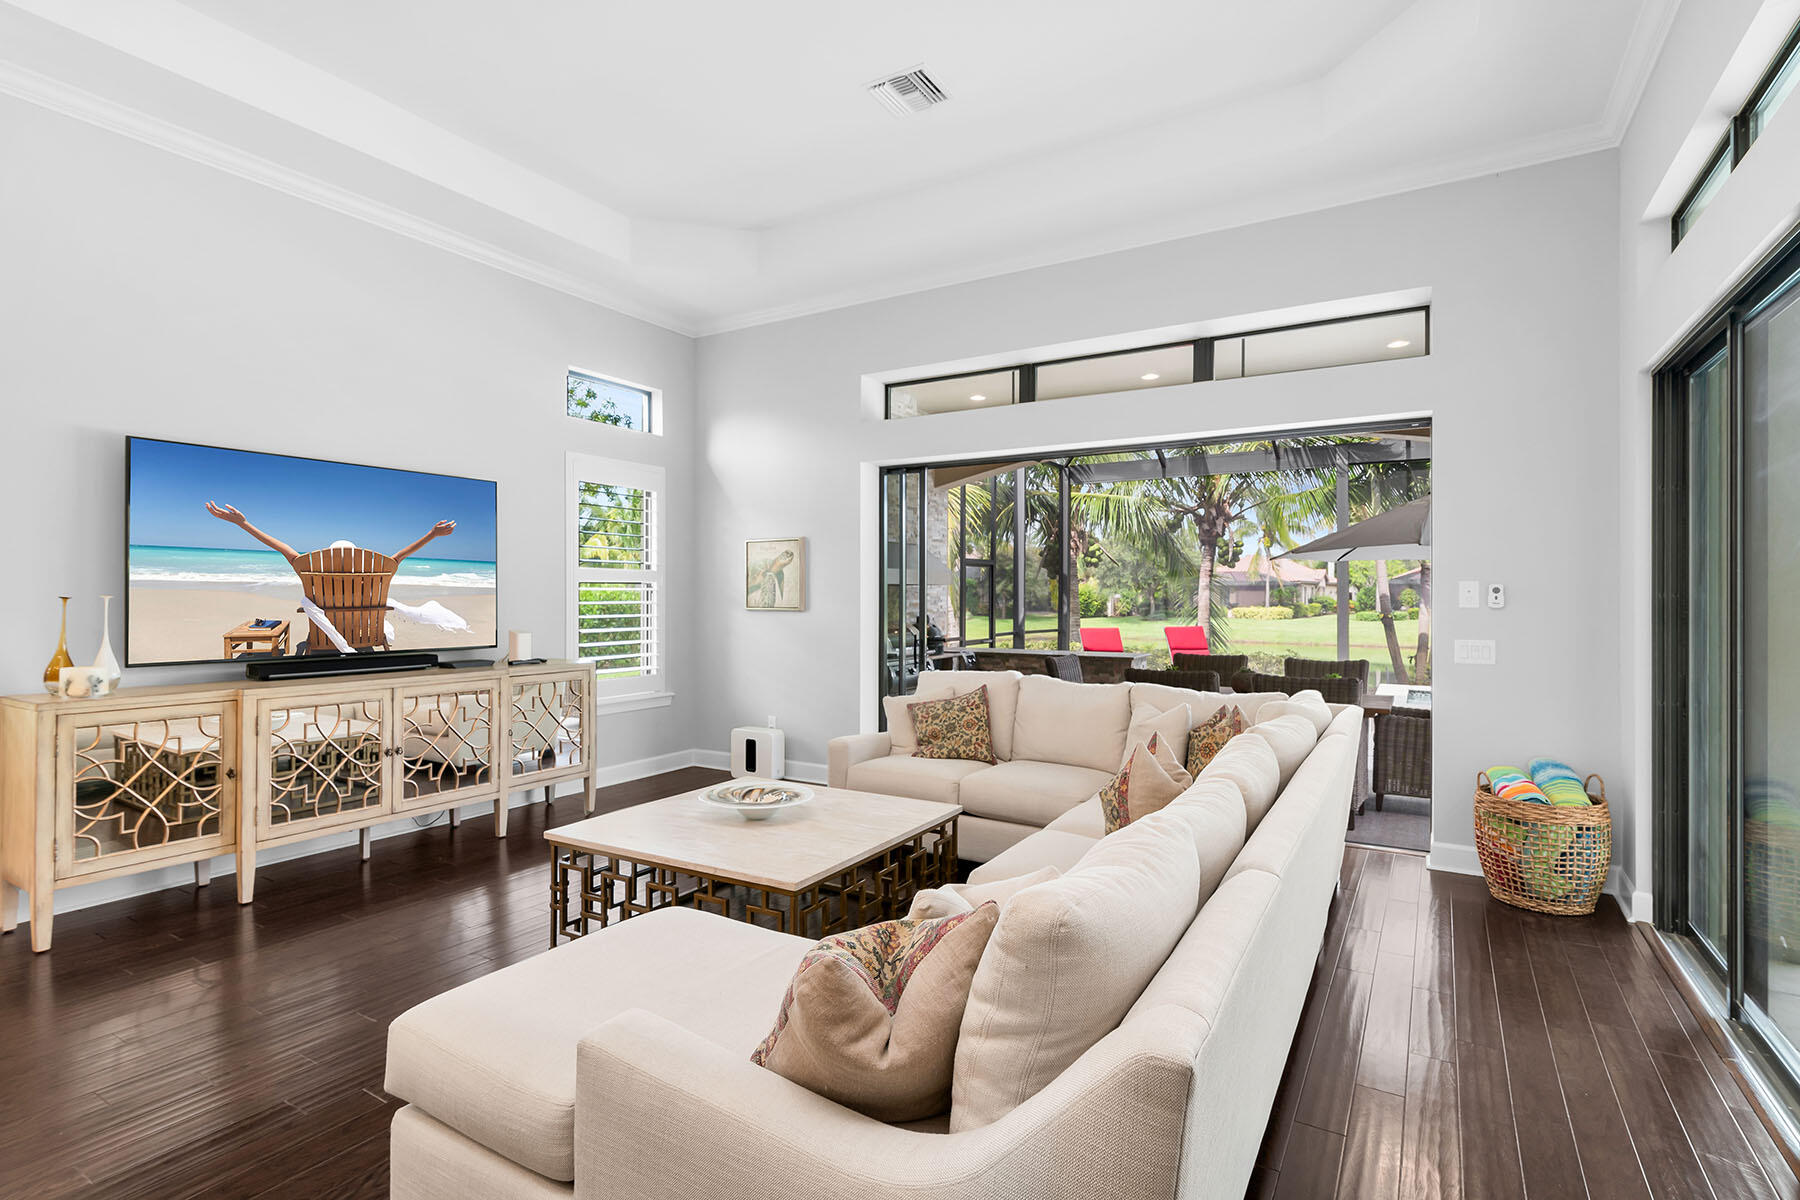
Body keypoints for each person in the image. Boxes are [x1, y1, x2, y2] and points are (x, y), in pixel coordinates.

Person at [204, 502, 456, 651]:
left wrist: (242, 524)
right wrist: (432, 534)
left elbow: (280, 547)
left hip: (320, 642)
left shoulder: (309, 570)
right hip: (364, 640)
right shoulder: (374, 574)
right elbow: (400, 556)